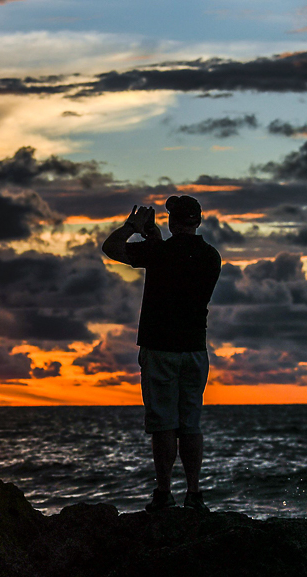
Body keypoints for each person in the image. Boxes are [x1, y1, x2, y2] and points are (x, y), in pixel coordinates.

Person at [101, 195, 222, 513]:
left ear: (172, 221)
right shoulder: (211, 256)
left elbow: (111, 248)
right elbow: (175, 261)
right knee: (190, 424)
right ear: (197, 221)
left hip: (160, 347)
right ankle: (194, 494)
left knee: (163, 425)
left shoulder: (159, 252)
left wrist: (133, 227)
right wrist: (154, 239)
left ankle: (164, 492)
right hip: (195, 348)